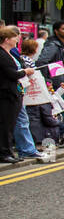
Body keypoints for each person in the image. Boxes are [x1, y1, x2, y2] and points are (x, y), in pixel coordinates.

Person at [0, 28, 35, 163]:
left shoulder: (8, 53)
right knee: (5, 124)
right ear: (7, 39)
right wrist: (25, 71)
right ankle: (4, 153)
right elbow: (11, 73)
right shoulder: (2, 55)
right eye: (15, 37)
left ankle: (7, 152)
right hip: (6, 94)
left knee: (10, 124)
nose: (17, 40)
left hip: (13, 93)